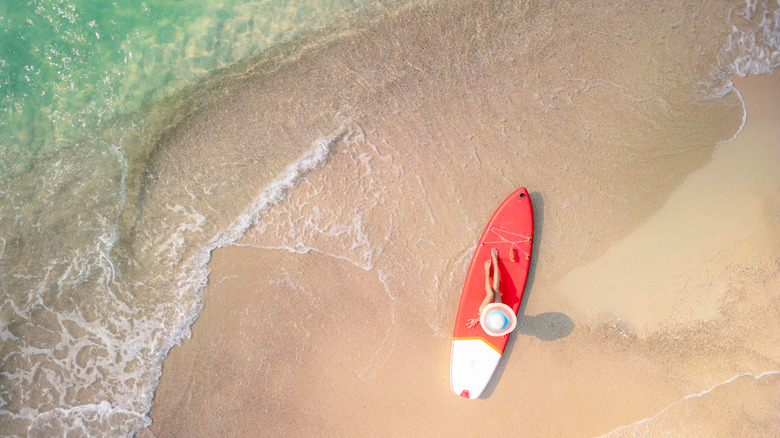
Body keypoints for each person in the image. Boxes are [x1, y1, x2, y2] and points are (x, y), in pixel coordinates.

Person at [466, 248, 501, 329]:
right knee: (496, 287)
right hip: (498, 309)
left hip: (485, 311)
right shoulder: (501, 314)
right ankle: (495, 261)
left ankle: (487, 273)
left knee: (490, 294)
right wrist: (505, 329)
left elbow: (483, 318)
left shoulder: (490, 322)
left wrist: (476, 320)